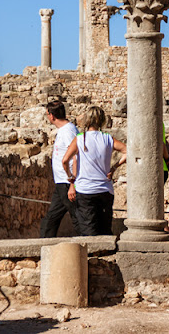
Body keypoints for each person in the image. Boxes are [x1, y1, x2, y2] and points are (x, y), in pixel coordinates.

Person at [62, 106, 127, 236]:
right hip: (105, 190)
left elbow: (65, 160)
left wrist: (71, 178)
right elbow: (127, 151)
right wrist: (113, 168)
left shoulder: (80, 138)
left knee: (88, 231)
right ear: (102, 120)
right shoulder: (108, 138)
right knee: (105, 230)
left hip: (85, 190)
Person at [39, 101, 81, 237]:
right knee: (51, 218)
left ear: (51, 116)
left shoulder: (68, 131)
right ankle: (43, 246)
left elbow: (76, 156)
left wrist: (72, 184)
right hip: (61, 183)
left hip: (67, 182)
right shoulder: (64, 130)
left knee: (77, 218)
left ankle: (91, 245)